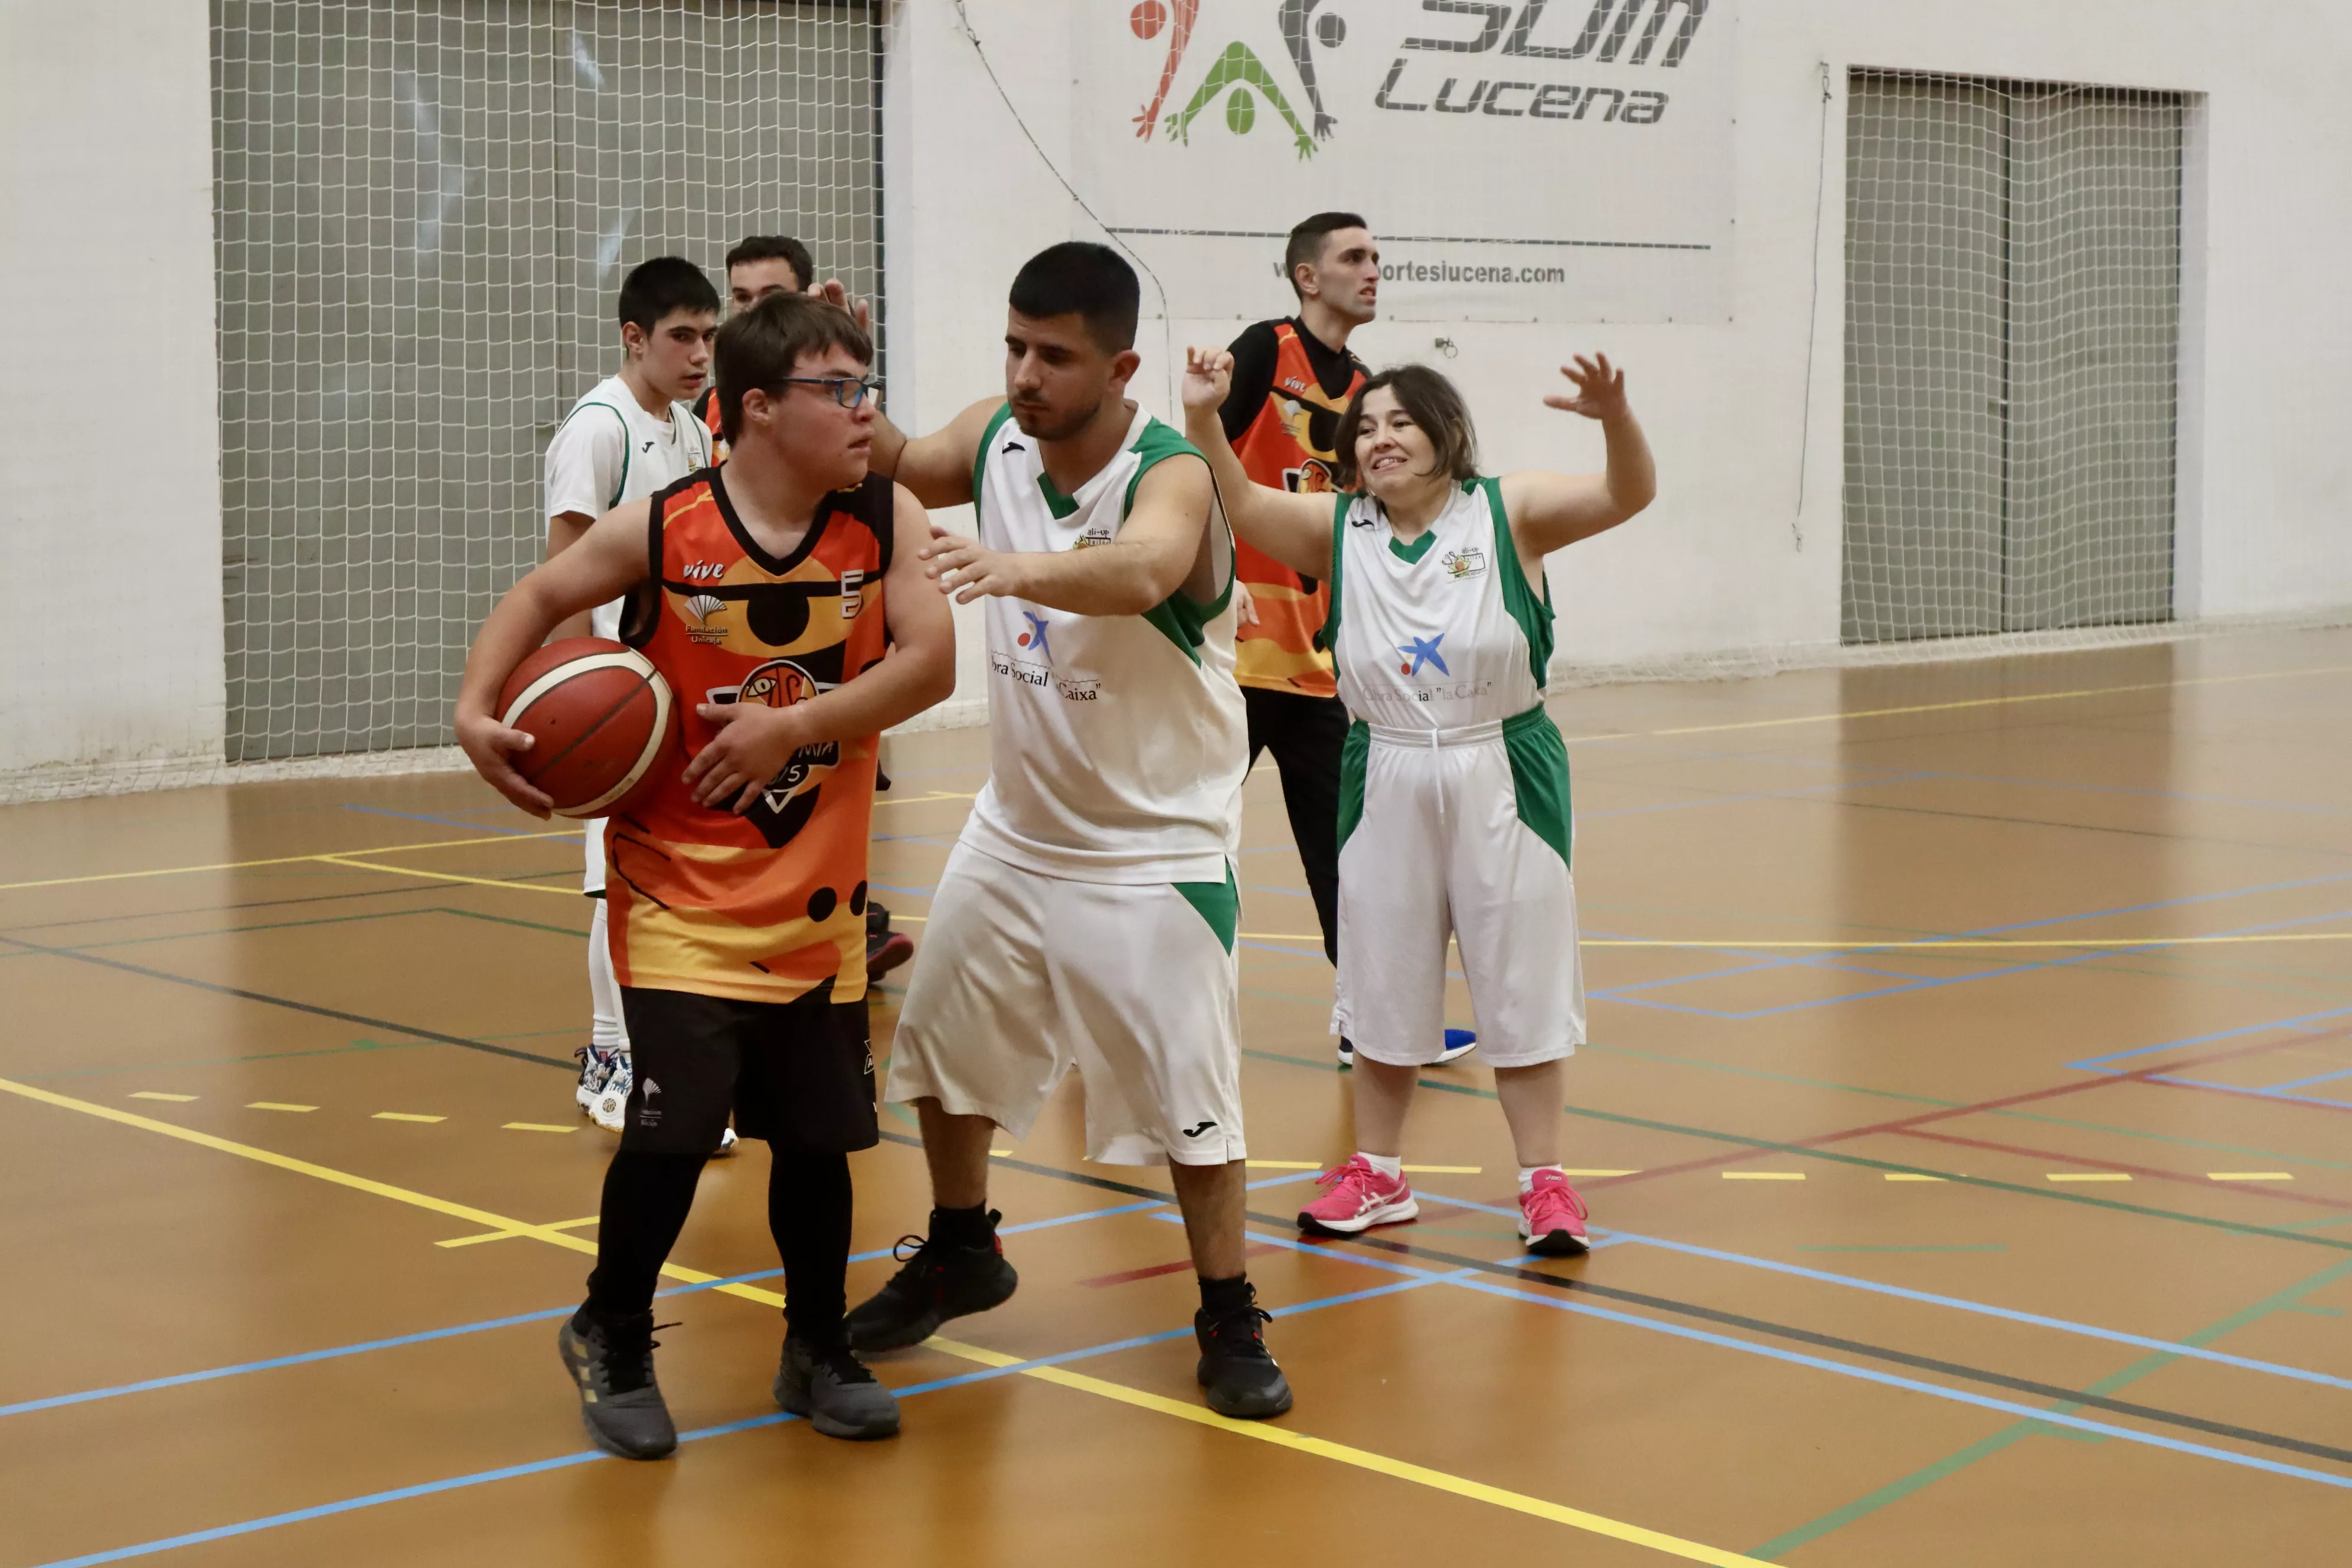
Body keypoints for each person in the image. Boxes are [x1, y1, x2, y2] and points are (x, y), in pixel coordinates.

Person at [454, 293, 956, 1458]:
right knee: (675, 1137)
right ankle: (613, 1329)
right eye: (839, 388)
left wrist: (801, 724)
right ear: (758, 410)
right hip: (676, 888)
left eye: (864, 382)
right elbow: (539, 597)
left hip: (819, 896)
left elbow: (929, 664)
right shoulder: (666, 524)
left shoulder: (890, 516)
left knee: (823, 1146)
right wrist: (478, 707)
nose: (863, 407)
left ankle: (816, 1344)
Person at [845, 241, 1293, 1420]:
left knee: (1196, 1110)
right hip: (1020, 827)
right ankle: (960, 1245)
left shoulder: (1174, 470)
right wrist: (836, 373)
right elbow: (894, 457)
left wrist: (1010, 565)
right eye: (1016, 347)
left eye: (1056, 355)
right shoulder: (997, 434)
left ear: (1122, 363)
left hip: (1157, 849)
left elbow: (1146, 568)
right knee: (942, 1049)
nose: (1027, 372)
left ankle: (1230, 1307)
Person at [1179, 345, 1655, 1256]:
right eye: (1365, 427)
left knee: (1521, 980)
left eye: (1400, 422)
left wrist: (1615, 420)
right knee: (1384, 983)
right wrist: (1204, 415)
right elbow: (1235, 503)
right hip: (1385, 766)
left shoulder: (1509, 510)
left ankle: (1544, 1184)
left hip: (1502, 765)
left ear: (1448, 434)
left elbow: (1626, 494)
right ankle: (1381, 1174)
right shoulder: (1337, 529)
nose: (1379, 439)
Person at [1218, 211, 1471, 1071]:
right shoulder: (1262, 350)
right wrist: (1209, 593)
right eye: (1354, 258)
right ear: (1306, 277)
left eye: (1377, 257)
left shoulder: (1367, 390)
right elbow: (1189, 470)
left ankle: (1369, 1021)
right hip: (1231, 657)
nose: (1372, 271)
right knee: (1182, 846)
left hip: (1320, 665)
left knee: (1348, 855)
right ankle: (1117, 1019)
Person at [695, 236, 914, 987]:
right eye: (743, 299)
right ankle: (613, 1042)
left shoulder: (866, 477)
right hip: (707, 689)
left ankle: (848, 923)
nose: (754, 311)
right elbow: (560, 580)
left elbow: (934, 662)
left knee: (824, 810)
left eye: (770, 296)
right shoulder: (704, 434)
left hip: (821, 681)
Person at [543, 256, 719, 1132]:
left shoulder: (689, 430)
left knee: (668, 884)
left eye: (708, 336)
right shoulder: (599, 430)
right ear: (634, 337)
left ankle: (664, 1064)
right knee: (614, 889)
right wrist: (578, 715)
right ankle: (611, 1060)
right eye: (682, 336)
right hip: (620, 705)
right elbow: (562, 578)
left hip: (681, 693)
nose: (699, 354)